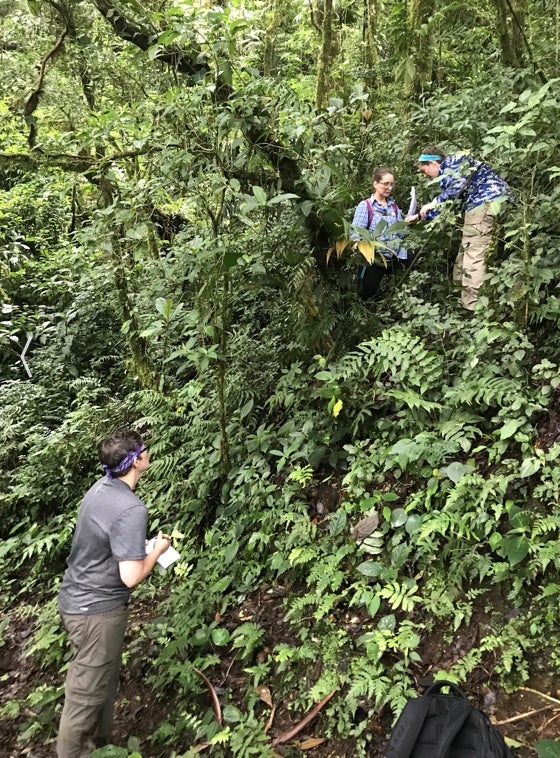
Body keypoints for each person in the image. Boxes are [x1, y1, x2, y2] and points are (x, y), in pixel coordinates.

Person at [57, 429, 172, 758]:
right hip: (96, 611)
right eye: (145, 450)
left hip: (76, 599)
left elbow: (108, 545)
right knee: (85, 696)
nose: (149, 452)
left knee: (101, 684)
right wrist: (158, 549)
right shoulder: (131, 508)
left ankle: (99, 749)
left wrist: (139, 548)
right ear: (136, 461)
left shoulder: (99, 490)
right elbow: (132, 575)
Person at [409, 146, 511, 311]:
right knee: (464, 255)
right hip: (478, 207)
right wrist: (421, 216)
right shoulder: (451, 173)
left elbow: (457, 187)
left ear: (434, 163)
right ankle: (460, 302)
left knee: (474, 257)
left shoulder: (456, 161)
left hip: (484, 205)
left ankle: (474, 308)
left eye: (424, 170)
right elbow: (449, 201)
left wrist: (433, 202)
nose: (425, 176)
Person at [351, 167, 408, 300]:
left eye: (391, 184)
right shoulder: (366, 206)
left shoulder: (393, 207)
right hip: (373, 259)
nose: (389, 187)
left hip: (393, 258)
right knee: (366, 293)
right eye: (386, 184)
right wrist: (355, 247)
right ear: (376, 184)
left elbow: (400, 233)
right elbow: (356, 232)